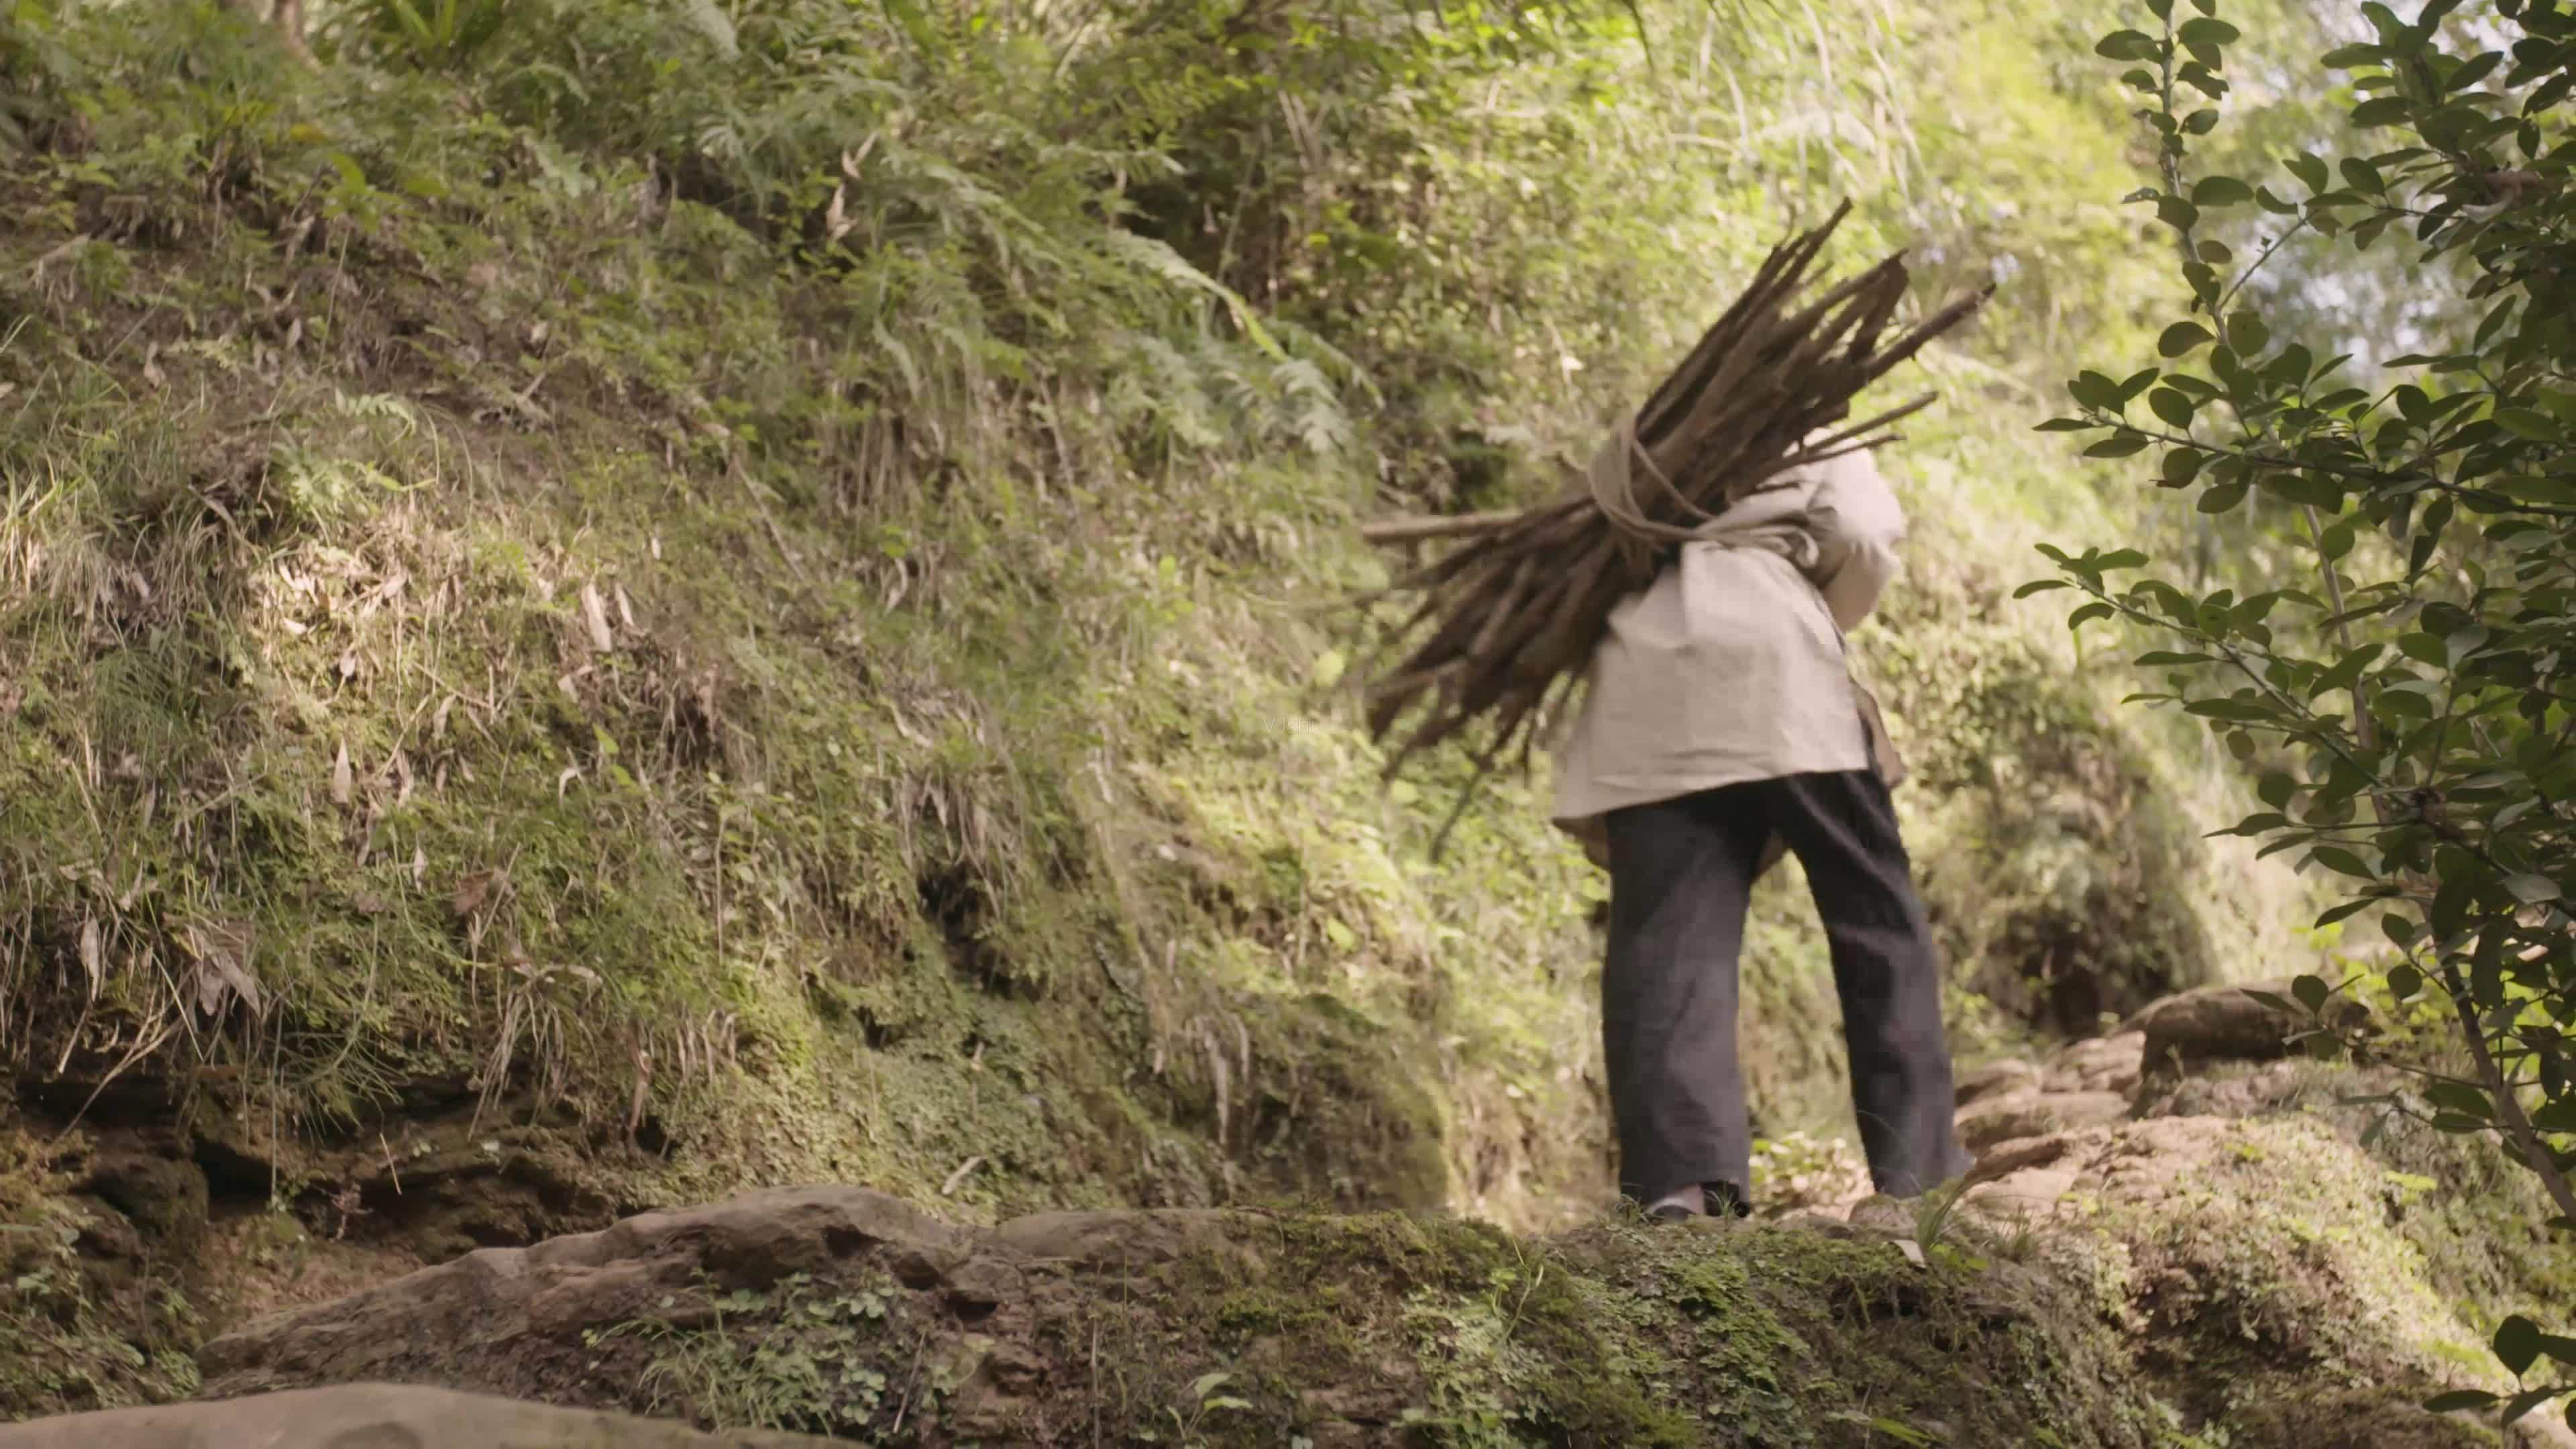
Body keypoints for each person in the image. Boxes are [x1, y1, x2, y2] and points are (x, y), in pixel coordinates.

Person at [1550, 431, 1969, 1222]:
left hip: (1649, 677)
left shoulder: (1650, 439)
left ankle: (1683, 1188)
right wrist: (1816, 605)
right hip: (1780, 668)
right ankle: (1919, 1177)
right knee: (1875, 918)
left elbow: (1603, 533)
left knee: (1668, 936)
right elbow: (1864, 535)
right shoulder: (1812, 434)